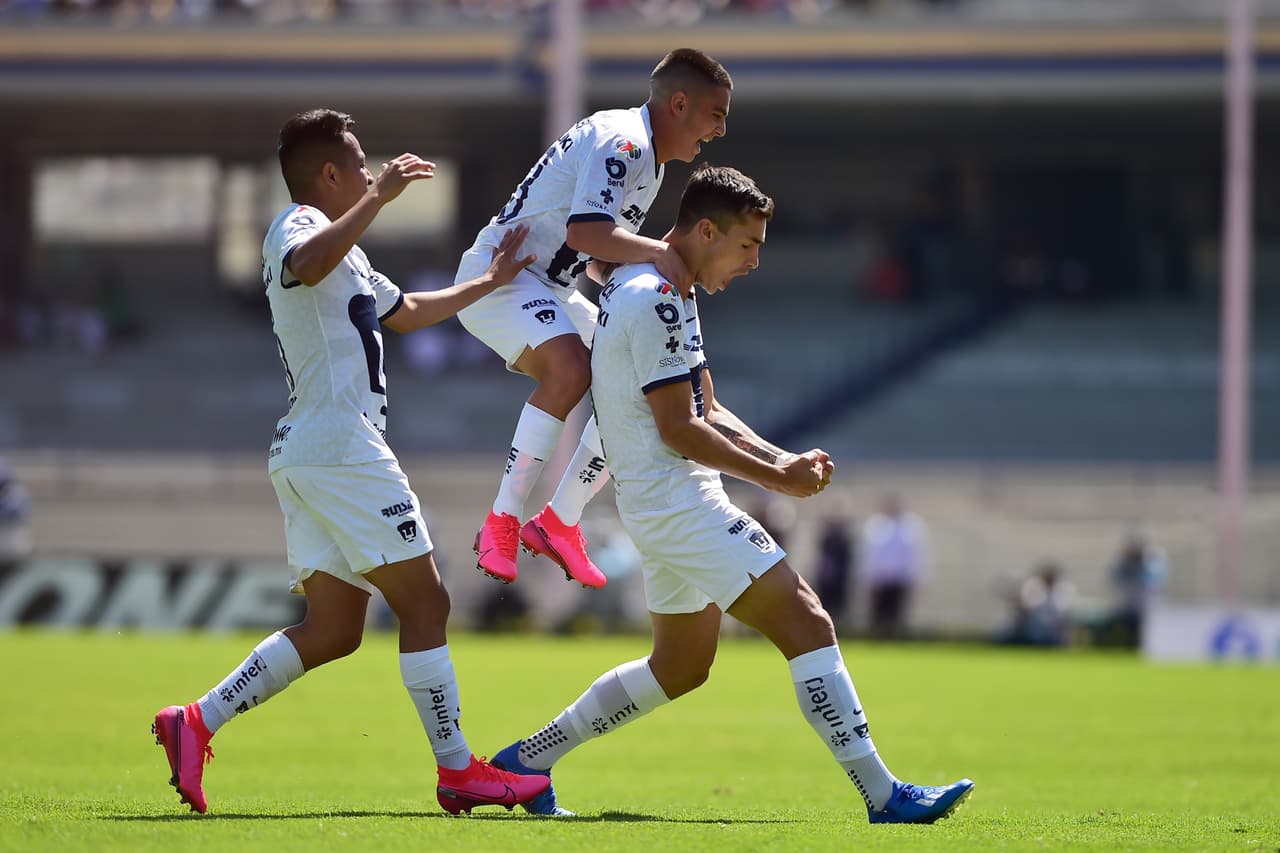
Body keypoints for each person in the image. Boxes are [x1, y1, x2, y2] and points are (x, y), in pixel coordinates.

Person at [488, 164, 973, 823]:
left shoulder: (667, 288)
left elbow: (706, 406)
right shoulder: (655, 296)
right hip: (678, 504)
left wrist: (781, 457)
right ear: (707, 232)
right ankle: (884, 796)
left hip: (662, 504)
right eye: (749, 244)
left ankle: (526, 760)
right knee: (807, 620)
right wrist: (777, 480)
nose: (753, 262)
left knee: (680, 666)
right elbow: (679, 428)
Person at [151, 108, 549, 816]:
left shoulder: (350, 253)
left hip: (316, 447)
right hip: (340, 444)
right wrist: (379, 199)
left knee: (335, 630)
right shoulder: (297, 225)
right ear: (329, 174)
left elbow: (409, 310)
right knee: (427, 602)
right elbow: (305, 265)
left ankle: (196, 720)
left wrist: (492, 280)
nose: (371, 173)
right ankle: (458, 770)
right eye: (361, 164)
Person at [454, 48, 733, 589]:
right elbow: (585, 232)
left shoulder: (648, 161)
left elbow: (599, 258)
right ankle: (501, 520)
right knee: (572, 369)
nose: (720, 130)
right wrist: (663, 255)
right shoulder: (624, 142)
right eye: (716, 114)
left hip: (551, 288)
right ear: (679, 104)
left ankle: (559, 520)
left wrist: (660, 287)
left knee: (638, 379)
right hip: (501, 278)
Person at [860, 491, 929, 639]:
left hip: (899, 579)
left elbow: (914, 555)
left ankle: (896, 638)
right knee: (878, 615)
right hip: (880, 580)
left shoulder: (910, 526)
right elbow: (870, 554)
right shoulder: (876, 525)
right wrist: (868, 577)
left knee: (897, 615)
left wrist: (916, 577)